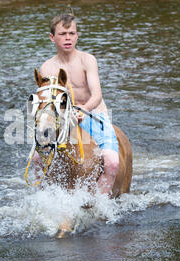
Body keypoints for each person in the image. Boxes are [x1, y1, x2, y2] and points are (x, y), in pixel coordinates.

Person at [36, 13, 119, 195]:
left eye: (72, 33)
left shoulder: (87, 60)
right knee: (36, 159)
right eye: (63, 34)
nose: (68, 38)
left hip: (93, 114)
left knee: (112, 163)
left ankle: (99, 206)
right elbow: (48, 103)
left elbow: (97, 95)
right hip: (64, 120)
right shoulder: (47, 68)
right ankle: (45, 201)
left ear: (77, 36)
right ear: (52, 38)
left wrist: (83, 109)